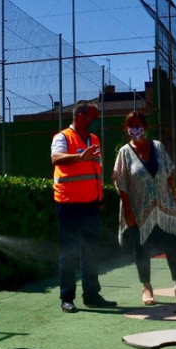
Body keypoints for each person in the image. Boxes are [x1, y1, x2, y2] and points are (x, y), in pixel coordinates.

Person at [113, 112, 176, 305]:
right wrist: (127, 210)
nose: (135, 128)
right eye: (131, 125)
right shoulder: (124, 152)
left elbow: (168, 172)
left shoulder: (158, 146)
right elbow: (121, 182)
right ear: (127, 129)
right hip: (138, 210)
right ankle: (147, 288)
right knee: (141, 248)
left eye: (138, 124)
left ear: (145, 126)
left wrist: (175, 197)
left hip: (164, 207)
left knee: (172, 246)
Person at [51, 101, 118, 312]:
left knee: (91, 251)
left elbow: (95, 171)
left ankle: (91, 294)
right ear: (80, 116)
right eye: (93, 117)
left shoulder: (95, 139)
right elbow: (56, 158)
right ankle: (66, 298)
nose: (96, 121)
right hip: (68, 204)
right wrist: (80, 156)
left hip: (91, 204)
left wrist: (99, 196)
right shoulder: (62, 137)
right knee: (68, 252)